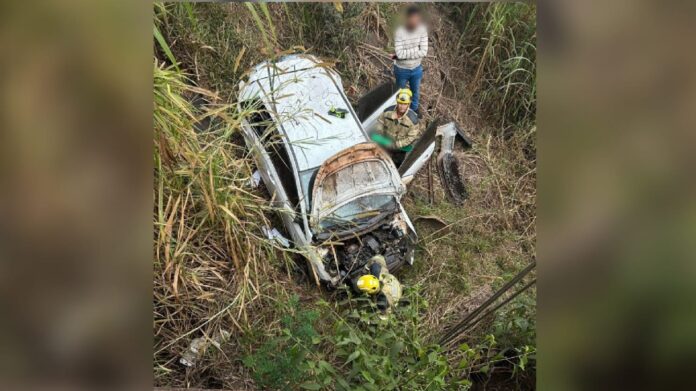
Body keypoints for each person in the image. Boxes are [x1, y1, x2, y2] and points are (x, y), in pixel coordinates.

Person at [370, 88, 422, 166]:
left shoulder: (413, 120)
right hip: (385, 140)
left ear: (408, 104)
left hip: (400, 146)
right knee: (378, 158)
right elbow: (380, 122)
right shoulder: (388, 112)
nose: (402, 106)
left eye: (405, 104)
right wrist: (380, 133)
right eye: (400, 103)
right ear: (397, 102)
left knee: (396, 163)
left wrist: (397, 144)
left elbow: (411, 137)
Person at [391, 5, 428, 114]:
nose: (416, 21)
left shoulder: (422, 30)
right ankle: (398, 112)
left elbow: (424, 51)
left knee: (415, 92)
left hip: (417, 68)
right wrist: (416, 50)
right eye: (413, 18)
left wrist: (403, 54)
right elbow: (399, 53)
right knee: (400, 93)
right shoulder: (399, 32)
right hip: (401, 69)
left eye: (418, 18)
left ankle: (414, 111)